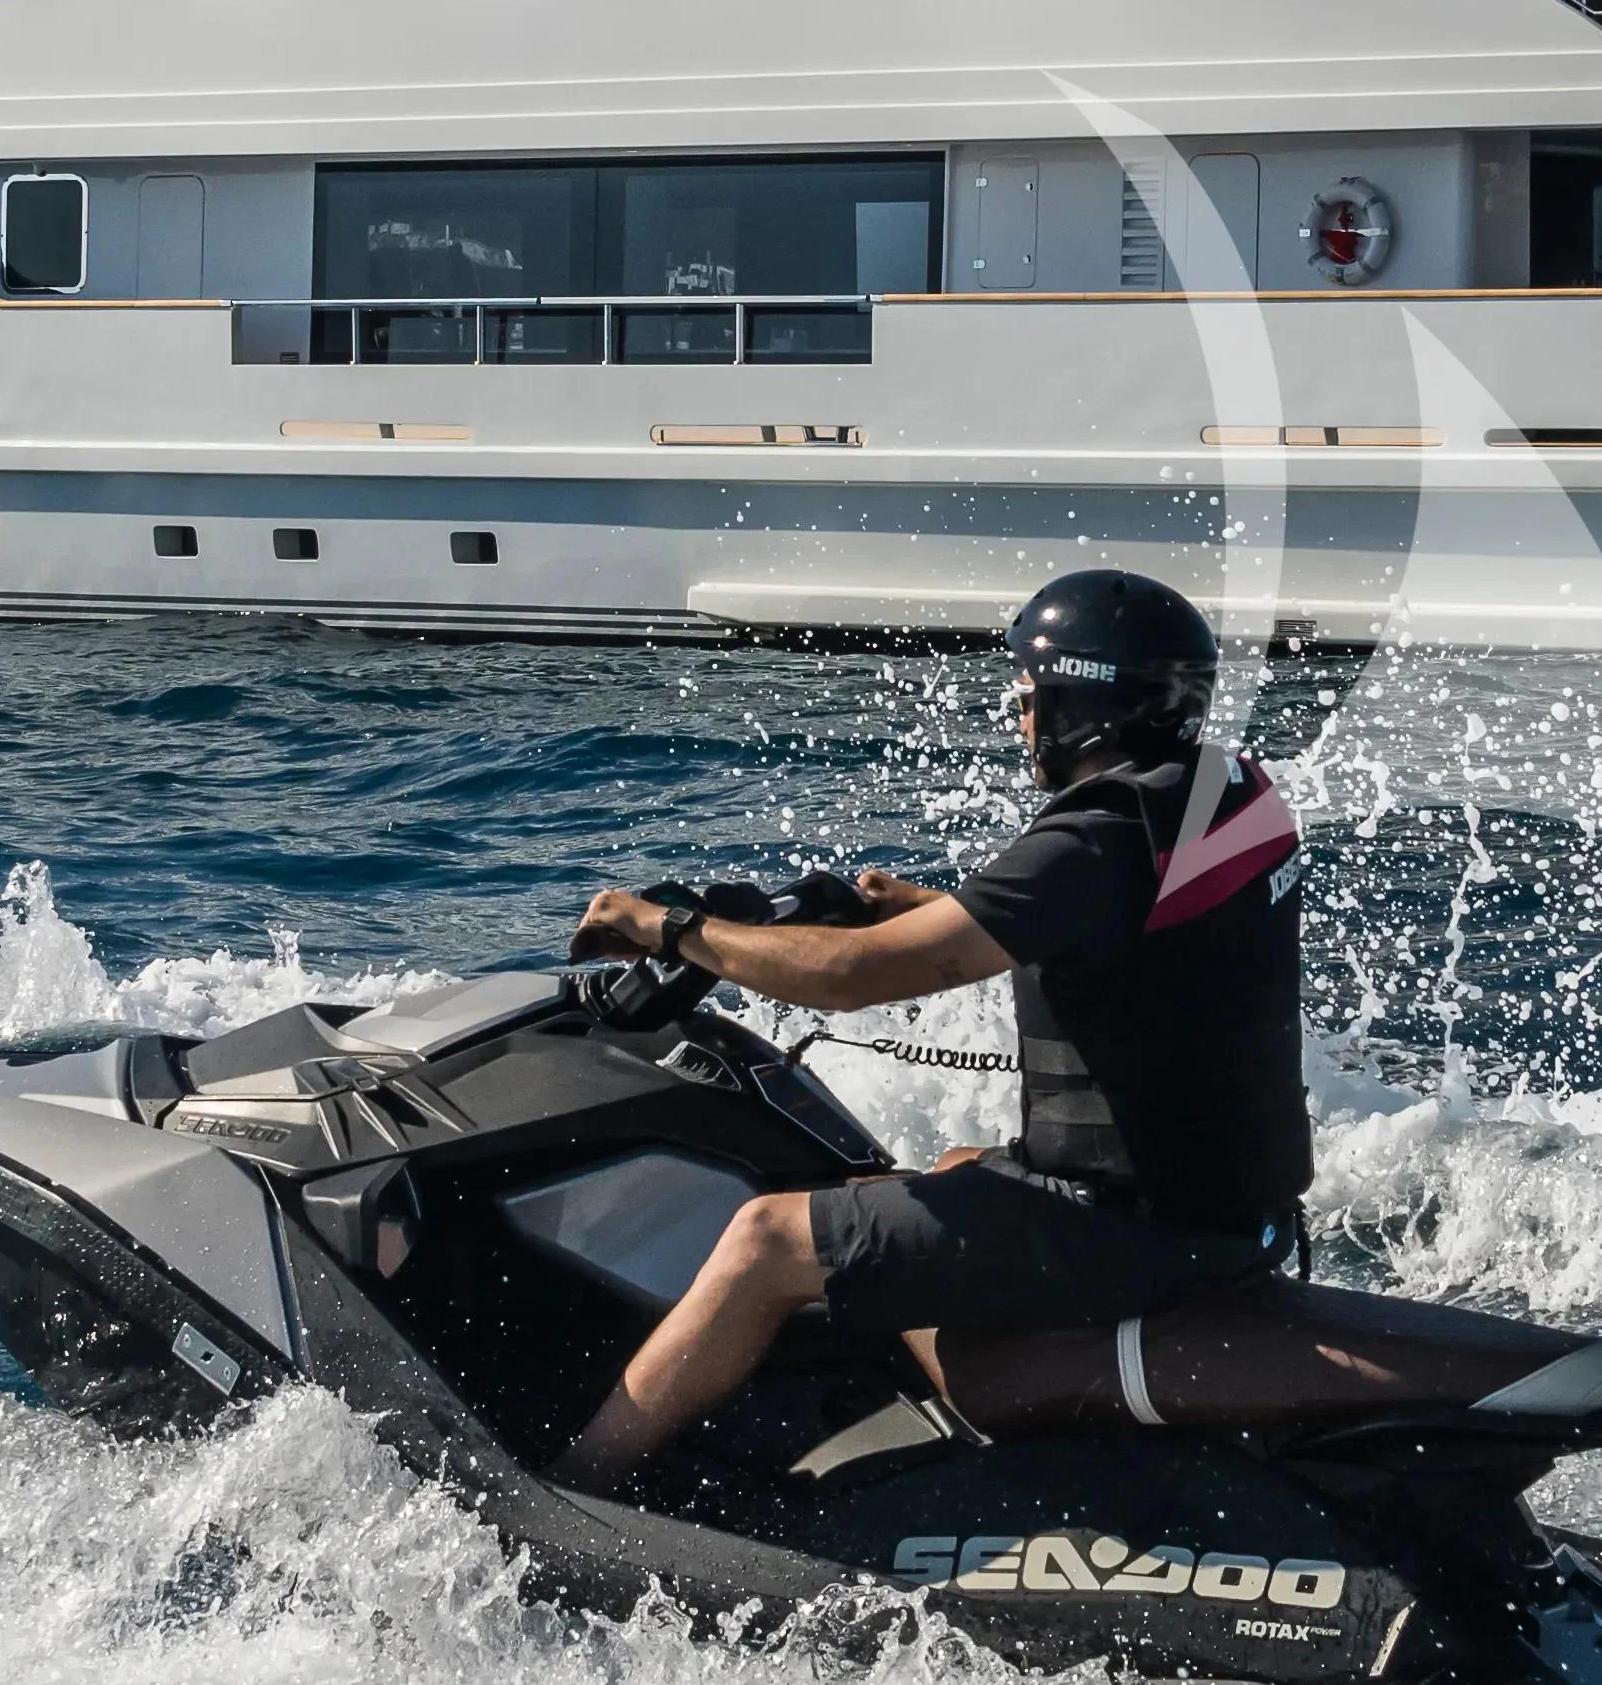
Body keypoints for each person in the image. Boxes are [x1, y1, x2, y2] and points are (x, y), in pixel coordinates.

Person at [552, 569, 1303, 1487]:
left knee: (765, 1240)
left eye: (1032, 699)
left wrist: (667, 929)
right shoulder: (1220, 793)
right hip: (1226, 1210)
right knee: (947, 1167)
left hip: (1132, 1231)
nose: (1020, 720)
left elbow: (858, 979)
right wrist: (931, 911)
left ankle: (573, 1488)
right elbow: (1134, 937)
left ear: (1083, 703)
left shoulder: (1093, 838)